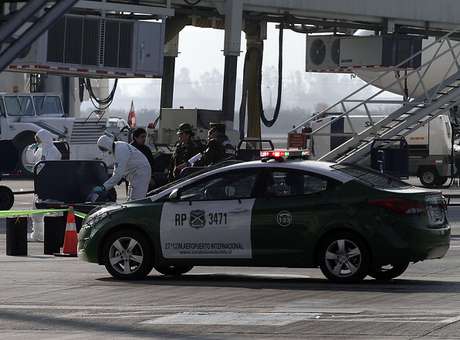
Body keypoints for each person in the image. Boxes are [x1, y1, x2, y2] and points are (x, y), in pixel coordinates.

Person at [91, 135, 151, 201]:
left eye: (103, 149)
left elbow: (118, 175)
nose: (104, 151)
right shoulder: (118, 147)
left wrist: (104, 187)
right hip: (136, 174)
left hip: (140, 173)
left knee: (137, 200)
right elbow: (117, 170)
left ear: (106, 145)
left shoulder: (120, 151)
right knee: (131, 199)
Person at [30, 129, 62, 242]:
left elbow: (48, 166)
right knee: (36, 210)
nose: (37, 141)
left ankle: (54, 234)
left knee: (54, 210)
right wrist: (30, 151)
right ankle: (38, 235)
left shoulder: (53, 151)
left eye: (38, 139)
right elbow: (32, 162)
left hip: (51, 184)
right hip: (40, 183)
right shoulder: (40, 149)